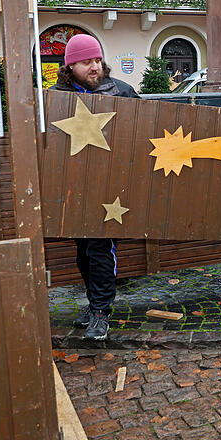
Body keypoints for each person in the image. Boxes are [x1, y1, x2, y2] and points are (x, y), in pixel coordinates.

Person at [53, 34, 139, 340]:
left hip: (111, 187)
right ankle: (93, 304)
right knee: (83, 250)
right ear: (71, 65)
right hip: (75, 188)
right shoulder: (56, 97)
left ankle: (101, 311)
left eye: (97, 60)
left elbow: (142, 132)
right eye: (87, 62)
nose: (95, 67)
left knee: (100, 248)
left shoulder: (122, 92)